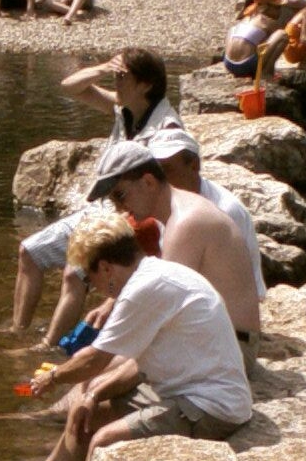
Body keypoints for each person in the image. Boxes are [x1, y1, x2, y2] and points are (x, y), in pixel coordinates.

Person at [0, 213, 251, 461]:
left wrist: (52, 377)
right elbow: (137, 363)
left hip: (213, 406)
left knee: (103, 439)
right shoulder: (154, 273)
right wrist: (93, 396)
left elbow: (95, 360)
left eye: (88, 276)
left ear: (106, 268)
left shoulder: (142, 290)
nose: (91, 286)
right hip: (184, 389)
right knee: (83, 411)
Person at [12, 49, 180, 342]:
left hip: (128, 214)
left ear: (146, 85)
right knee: (29, 251)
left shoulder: (166, 129)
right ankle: (17, 331)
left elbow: (162, 190)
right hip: (101, 208)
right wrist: (103, 67)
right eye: (115, 76)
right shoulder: (123, 107)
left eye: (122, 77)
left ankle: (47, 346)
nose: (116, 82)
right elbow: (69, 87)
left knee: (74, 274)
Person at [86, 142, 261, 362]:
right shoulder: (174, 215)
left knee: (102, 377)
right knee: (107, 369)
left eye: (120, 196)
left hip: (232, 348)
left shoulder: (185, 223)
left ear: (148, 182)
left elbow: (161, 308)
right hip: (218, 338)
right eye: (112, 200)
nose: (119, 208)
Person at [145, 128, 266, 307]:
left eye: (166, 170)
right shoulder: (168, 203)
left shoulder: (224, 211)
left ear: (194, 166)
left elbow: (234, 286)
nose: (158, 180)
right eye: (155, 172)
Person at [223, 0, 288, 82]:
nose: (280, 11)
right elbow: (273, 46)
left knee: (233, 30)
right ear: (265, 6)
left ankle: (238, 72)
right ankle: (266, 73)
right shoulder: (267, 21)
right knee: (282, 35)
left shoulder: (247, 17)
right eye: (277, 7)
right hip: (246, 65)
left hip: (229, 64)